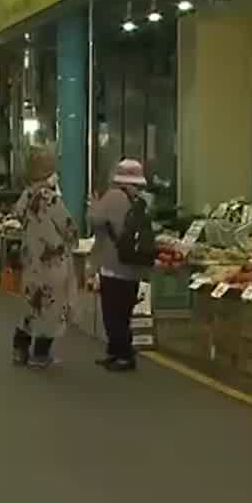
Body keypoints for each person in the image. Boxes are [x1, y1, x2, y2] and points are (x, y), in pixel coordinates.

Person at [11, 147, 76, 368]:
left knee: (31, 305)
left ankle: (20, 350)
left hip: (31, 260)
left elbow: (18, 214)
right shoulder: (50, 199)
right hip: (52, 263)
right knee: (52, 308)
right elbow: (68, 227)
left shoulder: (26, 196)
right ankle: (40, 354)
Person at [88, 159, 153, 372]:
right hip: (133, 266)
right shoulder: (142, 199)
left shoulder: (113, 196)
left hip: (114, 264)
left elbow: (95, 219)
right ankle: (116, 352)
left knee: (112, 314)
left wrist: (94, 203)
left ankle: (123, 355)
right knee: (123, 314)